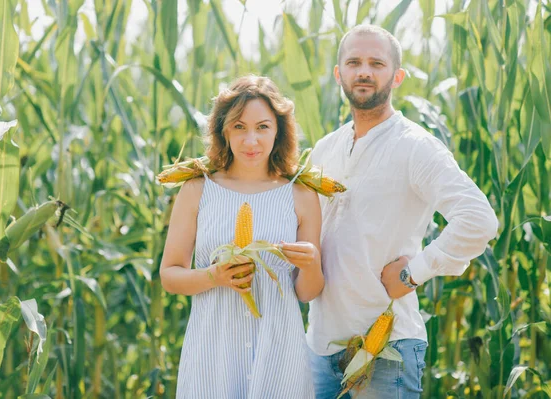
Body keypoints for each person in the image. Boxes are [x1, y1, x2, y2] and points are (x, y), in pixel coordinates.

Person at [307, 25, 498, 398]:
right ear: (338, 74)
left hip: (388, 349)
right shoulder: (325, 149)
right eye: (354, 62)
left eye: (376, 63)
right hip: (319, 347)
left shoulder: (416, 147)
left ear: (396, 77)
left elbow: (479, 219)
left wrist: (415, 272)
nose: (364, 71)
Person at [160, 75, 323, 398]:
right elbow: (169, 275)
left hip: (279, 356)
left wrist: (312, 264)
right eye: (239, 127)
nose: (251, 141)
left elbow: (307, 292)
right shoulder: (197, 189)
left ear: (279, 131)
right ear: (223, 130)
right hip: (213, 356)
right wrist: (214, 276)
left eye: (263, 127)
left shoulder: (301, 194)